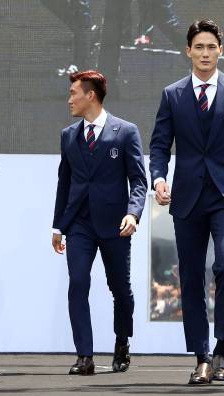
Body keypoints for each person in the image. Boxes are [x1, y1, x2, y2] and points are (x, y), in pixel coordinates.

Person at [149, 19, 224, 385]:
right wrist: (158, 177)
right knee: (189, 276)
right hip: (186, 198)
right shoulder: (173, 94)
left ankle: (222, 350)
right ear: (188, 51)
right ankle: (201, 356)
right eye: (198, 47)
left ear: (221, 50)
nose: (205, 53)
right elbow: (159, 144)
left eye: (211, 47)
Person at [52, 70, 147, 376]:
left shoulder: (125, 131)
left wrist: (133, 213)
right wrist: (58, 226)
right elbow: (63, 184)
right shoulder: (68, 136)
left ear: (90, 95)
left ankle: (122, 341)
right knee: (78, 283)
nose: (69, 99)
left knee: (120, 288)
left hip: (115, 224)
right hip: (79, 223)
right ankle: (84, 356)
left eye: (73, 93)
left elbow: (138, 181)